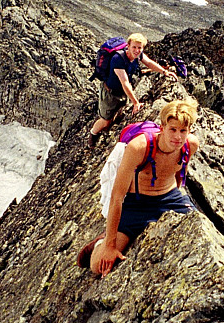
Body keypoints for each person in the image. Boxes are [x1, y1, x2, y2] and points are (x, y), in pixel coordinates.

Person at [78, 99, 200, 277]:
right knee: (98, 267)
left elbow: (180, 172)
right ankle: (100, 243)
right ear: (162, 127)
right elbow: (117, 196)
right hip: (137, 204)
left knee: (198, 232)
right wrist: (110, 246)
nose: (178, 137)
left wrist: (180, 199)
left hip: (170, 198)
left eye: (183, 130)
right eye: (173, 129)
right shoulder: (139, 147)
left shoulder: (191, 145)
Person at [87, 33, 177, 148]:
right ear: (128, 46)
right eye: (134, 47)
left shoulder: (138, 55)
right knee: (105, 120)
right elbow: (124, 82)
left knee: (117, 115)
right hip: (110, 93)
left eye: (140, 48)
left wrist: (164, 72)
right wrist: (135, 102)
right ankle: (93, 134)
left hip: (123, 92)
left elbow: (149, 62)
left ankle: (106, 129)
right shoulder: (117, 59)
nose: (137, 50)